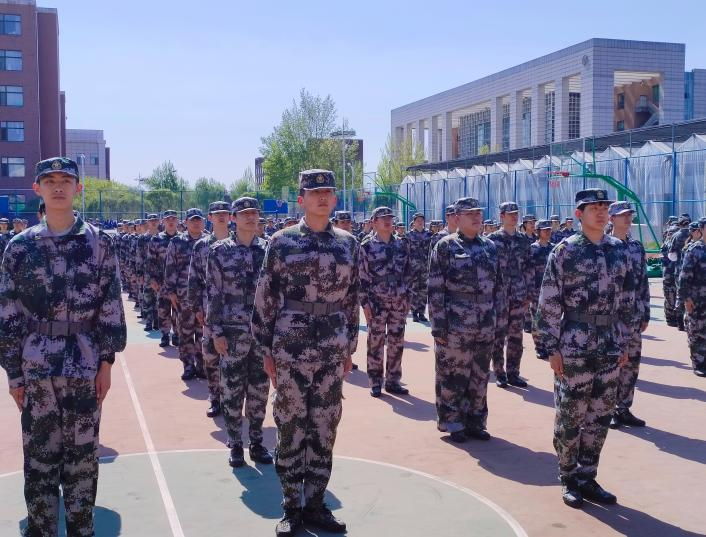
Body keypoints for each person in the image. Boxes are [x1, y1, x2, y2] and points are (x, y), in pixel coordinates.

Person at [0, 157, 126, 536]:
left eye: (66, 180)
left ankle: (81, 528)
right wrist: (13, 374)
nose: (58, 186)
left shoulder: (99, 243)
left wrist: (106, 363)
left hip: (85, 365)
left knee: (83, 459)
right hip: (36, 368)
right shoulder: (20, 248)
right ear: (37, 189)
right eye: (50, 180)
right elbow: (8, 313)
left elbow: (110, 306)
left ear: (78, 188)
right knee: (40, 459)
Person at [252, 169, 358, 536]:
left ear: (335, 198)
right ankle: (291, 506)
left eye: (328, 192)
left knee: (324, 427)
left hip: (331, 350)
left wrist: (350, 347)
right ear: (301, 200)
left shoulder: (348, 243)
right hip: (291, 349)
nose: (322, 197)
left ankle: (315, 504)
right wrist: (265, 350)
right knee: (291, 426)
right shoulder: (281, 242)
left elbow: (352, 298)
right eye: (315, 193)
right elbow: (265, 298)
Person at [537, 188, 632, 509]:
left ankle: (588, 476)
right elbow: (549, 301)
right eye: (594, 208)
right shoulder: (565, 251)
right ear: (579, 214)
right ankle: (568, 476)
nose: (602, 212)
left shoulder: (617, 250)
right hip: (574, 345)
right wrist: (550, 347)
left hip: (609, 344)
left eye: (605, 207)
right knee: (571, 415)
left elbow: (625, 300)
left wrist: (623, 341)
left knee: (600, 415)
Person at [428, 197, 504, 442]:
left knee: (480, 375)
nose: (476, 217)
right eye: (470, 214)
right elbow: (435, 289)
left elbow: (498, 286)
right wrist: (438, 326)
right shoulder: (445, 246)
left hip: (485, 323)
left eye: (478, 213)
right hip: (455, 325)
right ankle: (453, 421)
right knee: (453, 375)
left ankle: (475, 421)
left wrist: (499, 320)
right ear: (457, 218)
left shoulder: (490, 247)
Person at [206, 197, 273, 466]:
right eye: (244, 214)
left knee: (259, 390)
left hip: (261, 332)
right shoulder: (219, 251)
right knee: (232, 390)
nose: (250, 217)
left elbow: (274, 293)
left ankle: (256, 442)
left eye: (254, 213)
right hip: (232, 333)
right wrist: (216, 332)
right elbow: (213, 293)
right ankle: (235, 443)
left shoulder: (268, 249)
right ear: (233, 218)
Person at [359, 206, 413, 397]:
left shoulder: (402, 244)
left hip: (398, 300)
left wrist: (408, 297)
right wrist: (365, 304)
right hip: (377, 301)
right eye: (383, 218)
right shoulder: (366, 246)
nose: (388, 221)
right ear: (374, 222)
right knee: (376, 342)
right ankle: (375, 382)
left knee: (397, 341)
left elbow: (408, 272)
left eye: (390, 217)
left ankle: (393, 380)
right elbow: (361, 277)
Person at [608, 202, 650, 428]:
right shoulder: (604, 246)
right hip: (612, 318)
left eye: (629, 214)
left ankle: (623, 408)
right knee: (612, 364)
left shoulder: (636, 247)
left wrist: (646, 311)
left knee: (631, 364)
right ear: (611, 219)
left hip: (633, 316)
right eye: (622, 215)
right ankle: (607, 409)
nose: (627, 218)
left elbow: (643, 281)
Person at [188, 201, 232, 417]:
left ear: (231, 217)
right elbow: (194, 279)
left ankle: (231, 398)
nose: (221, 217)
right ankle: (215, 398)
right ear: (210, 217)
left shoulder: (239, 242)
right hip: (210, 307)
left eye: (225, 213)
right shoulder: (201, 246)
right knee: (211, 354)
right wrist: (196, 307)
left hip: (237, 309)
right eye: (217, 214)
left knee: (235, 355)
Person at [488, 202, 532, 388]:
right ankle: (499, 372)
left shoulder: (523, 240)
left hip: (519, 295)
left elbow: (529, 268)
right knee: (498, 335)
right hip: (499, 296)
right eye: (510, 214)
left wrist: (529, 293)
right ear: (502, 216)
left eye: (516, 213)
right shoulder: (492, 240)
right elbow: (488, 270)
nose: (514, 217)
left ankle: (514, 373)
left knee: (516, 336)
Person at [164, 208, 207, 380]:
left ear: (203, 222)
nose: (196, 223)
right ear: (186, 222)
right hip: (183, 296)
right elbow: (170, 267)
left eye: (198, 220)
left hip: (204, 297)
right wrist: (171, 292)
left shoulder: (209, 242)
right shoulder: (177, 242)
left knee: (203, 333)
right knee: (185, 332)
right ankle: (188, 366)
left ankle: (202, 365)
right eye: (192, 220)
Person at [147, 210, 180, 348]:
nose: (171, 222)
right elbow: (150, 261)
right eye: (168, 219)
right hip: (162, 282)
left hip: (179, 283)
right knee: (163, 310)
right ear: (163, 222)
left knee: (178, 310)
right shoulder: (156, 239)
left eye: (173, 219)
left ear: (177, 221)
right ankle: (165, 335)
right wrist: (152, 279)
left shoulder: (182, 239)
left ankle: (177, 334)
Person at [677, 217, 706, 377]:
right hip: (697, 300)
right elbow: (684, 276)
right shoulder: (694, 249)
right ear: (701, 229)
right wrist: (686, 299)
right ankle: (698, 363)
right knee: (696, 331)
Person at [529, 220, 555, 359]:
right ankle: (539, 346)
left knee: (551, 318)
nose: (547, 232)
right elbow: (528, 270)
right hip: (536, 290)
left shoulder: (554, 248)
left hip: (551, 289)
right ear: (538, 231)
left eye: (549, 229)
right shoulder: (532, 248)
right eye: (545, 230)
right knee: (537, 319)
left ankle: (549, 345)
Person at [407, 212, 432, 322]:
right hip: (413, 268)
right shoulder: (409, 235)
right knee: (414, 290)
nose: (420, 222)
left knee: (423, 291)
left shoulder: (429, 235)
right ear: (414, 222)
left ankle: (421, 312)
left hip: (425, 267)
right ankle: (414, 312)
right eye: (418, 220)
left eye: (422, 220)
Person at [668, 214, 691, 331]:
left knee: (680, 294)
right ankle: (690, 321)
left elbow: (671, 255)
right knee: (692, 295)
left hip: (679, 270)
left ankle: (680, 323)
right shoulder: (696, 233)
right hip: (694, 271)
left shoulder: (676, 235)